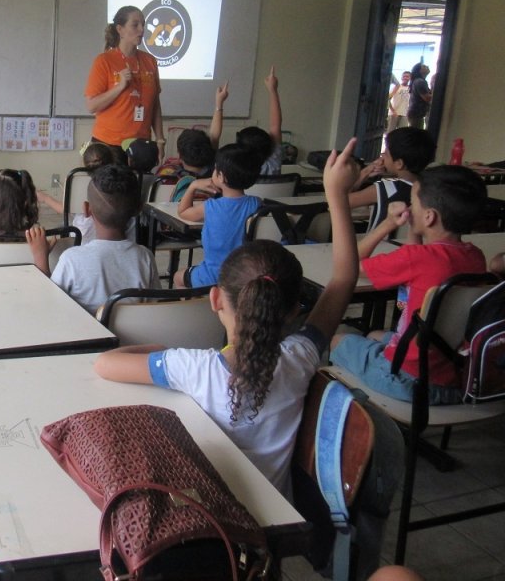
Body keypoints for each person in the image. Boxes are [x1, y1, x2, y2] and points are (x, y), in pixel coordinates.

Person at [93, 140, 360, 499]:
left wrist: (162, 349)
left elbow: (105, 363)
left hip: (210, 517)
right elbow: (343, 278)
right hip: (276, 518)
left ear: (215, 299)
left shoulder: (193, 367)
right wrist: (336, 195)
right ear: (295, 309)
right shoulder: (301, 358)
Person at [331, 165, 488, 404]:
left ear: (429, 216)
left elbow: (354, 265)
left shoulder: (417, 260)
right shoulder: (476, 256)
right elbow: (418, 260)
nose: (409, 207)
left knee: (338, 339)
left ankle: (359, 415)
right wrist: (412, 228)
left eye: (413, 202)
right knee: (375, 334)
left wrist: (387, 224)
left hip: (406, 381)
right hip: (451, 379)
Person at [31, 163, 159, 313]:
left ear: (86, 209)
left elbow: (48, 303)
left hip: (87, 335)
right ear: (138, 209)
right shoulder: (145, 257)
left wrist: (40, 258)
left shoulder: (72, 259)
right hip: (135, 336)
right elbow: (155, 306)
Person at [173, 144, 262, 288]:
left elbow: (183, 212)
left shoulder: (210, 207)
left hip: (212, 275)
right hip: (244, 277)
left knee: (178, 277)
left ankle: (195, 308)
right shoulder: (256, 204)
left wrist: (193, 186)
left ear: (220, 176)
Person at [84, 6, 165, 162]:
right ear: (120, 29)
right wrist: (119, 87)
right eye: (135, 25)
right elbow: (91, 106)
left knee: (139, 186)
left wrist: (160, 140)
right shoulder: (104, 61)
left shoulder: (150, 61)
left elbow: (155, 105)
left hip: (141, 144)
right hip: (108, 145)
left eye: (143, 24)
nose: (141, 30)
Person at [36, 142, 134, 242]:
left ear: (85, 163)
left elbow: (64, 209)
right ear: (112, 160)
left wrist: (45, 198)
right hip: (120, 234)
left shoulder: (76, 182)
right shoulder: (122, 180)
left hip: (83, 237)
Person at [348, 126, 436, 230]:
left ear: (399, 164)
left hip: (377, 245)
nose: (382, 157)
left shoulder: (388, 189)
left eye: (386, 154)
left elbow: (340, 203)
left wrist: (364, 173)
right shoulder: (430, 187)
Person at [213, 66, 283, 175]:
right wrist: (273, 90)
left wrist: (219, 103)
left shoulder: (233, 170)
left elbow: (213, 138)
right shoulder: (273, 164)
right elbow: (275, 126)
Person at [406, 62, 432, 129]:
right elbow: (427, 98)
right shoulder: (420, 82)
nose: (427, 66)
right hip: (416, 114)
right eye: (424, 66)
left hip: (415, 113)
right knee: (416, 135)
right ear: (420, 71)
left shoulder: (419, 81)